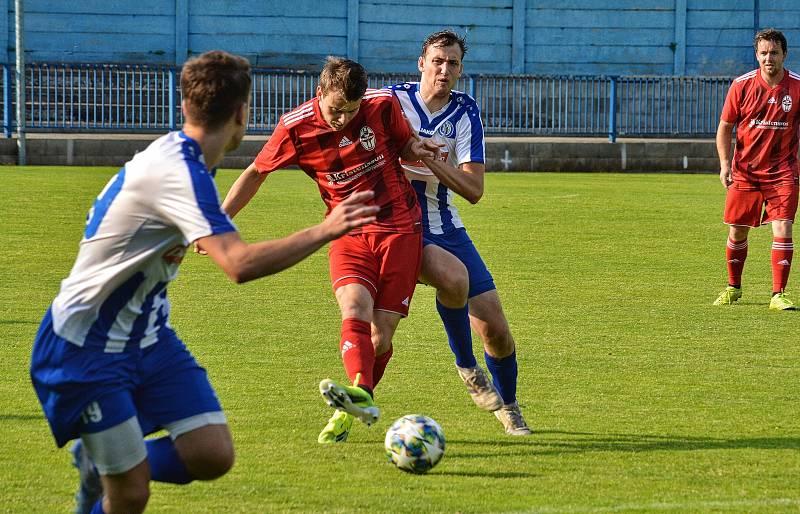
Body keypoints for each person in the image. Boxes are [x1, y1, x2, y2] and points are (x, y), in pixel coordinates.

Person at [29, 50, 379, 514]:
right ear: (242, 112)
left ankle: (102, 464)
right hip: (85, 346)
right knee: (130, 493)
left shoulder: (188, 157)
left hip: (146, 335)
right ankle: (109, 471)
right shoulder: (179, 172)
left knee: (211, 454)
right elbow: (238, 264)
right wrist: (325, 229)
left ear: (184, 106)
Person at [217, 56, 439, 444]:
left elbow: (403, 145)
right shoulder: (294, 127)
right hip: (347, 230)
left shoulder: (381, 105)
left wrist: (420, 147)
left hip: (400, 227)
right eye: (336, 110)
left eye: (351, 112)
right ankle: (359, 397)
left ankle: (352, 406)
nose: (343, 119)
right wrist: (219, 221)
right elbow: (256, 173)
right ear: (320, 92)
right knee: (353, 307)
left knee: (380, 338)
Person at [388, 30, 532, 435]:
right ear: (421, 63)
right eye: (437, 61)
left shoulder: (465, 112)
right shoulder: (390, 101)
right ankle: (467, 368)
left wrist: (430, 158)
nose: (444, 70)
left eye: (452, 64)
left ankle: (509, 406)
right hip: (397, 225)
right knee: (384, 326)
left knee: (497, 331)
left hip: (446, 224)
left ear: (460, 70)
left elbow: (473, 190)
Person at [714, 28, 800, 310]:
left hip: (783, 172)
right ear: (756, 55)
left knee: (783, 226)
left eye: (774, 53)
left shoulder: (797, 87)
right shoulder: (741, 85)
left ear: (784, 55)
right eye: (763, 53)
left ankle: (778, 294)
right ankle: (733, 287)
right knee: (737, 231)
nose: (768, 58)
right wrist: (725, 164)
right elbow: (725, 127)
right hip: (746, 172)